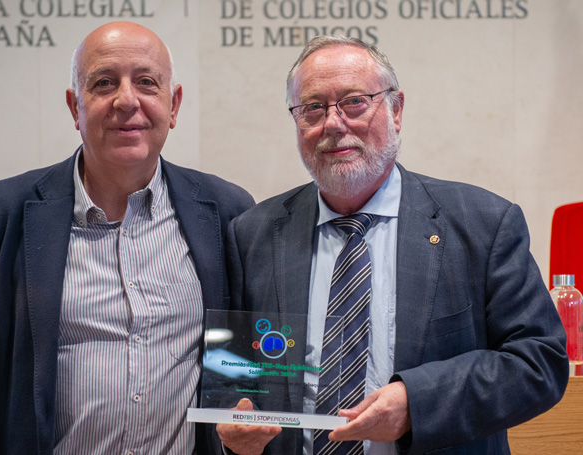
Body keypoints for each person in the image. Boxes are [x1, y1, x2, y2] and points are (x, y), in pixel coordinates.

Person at [216, 35, 569, 455]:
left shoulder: (484, 223)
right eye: (313, 108)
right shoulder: (253, 233)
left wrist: (416, 403)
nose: (333, 123)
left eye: (354, 102)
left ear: (396, 109)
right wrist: (231, 428)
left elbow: (539, 362)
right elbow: (232, 375)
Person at [0, 21, 254, 454]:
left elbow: (236, 369)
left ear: (173, 105)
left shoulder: (227, 212)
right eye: (104, 83)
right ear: (74, 107)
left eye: (146, 82)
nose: (126, 100)